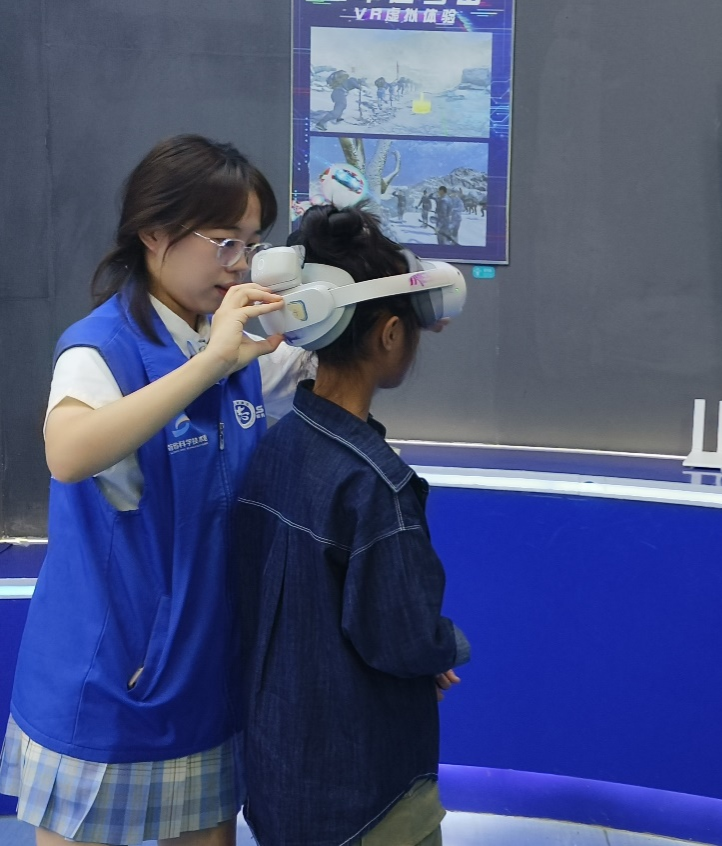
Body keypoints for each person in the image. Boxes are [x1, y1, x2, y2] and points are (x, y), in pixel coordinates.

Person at [0, 135, 314, 845]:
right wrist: (210, 364)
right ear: (153, 233)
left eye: (252, 244)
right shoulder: (100, 348)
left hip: (203, 677)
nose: (239, 263)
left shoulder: (235, 345)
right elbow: (69, 454)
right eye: (223, 242)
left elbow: (323, 367)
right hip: (106, 680)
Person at [233, 204, 468, 846]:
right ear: (390, 334)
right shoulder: (376, 485)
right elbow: (403, 639)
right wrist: (441, 648)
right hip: (369, 800)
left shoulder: (273, 449)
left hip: (281, 781)